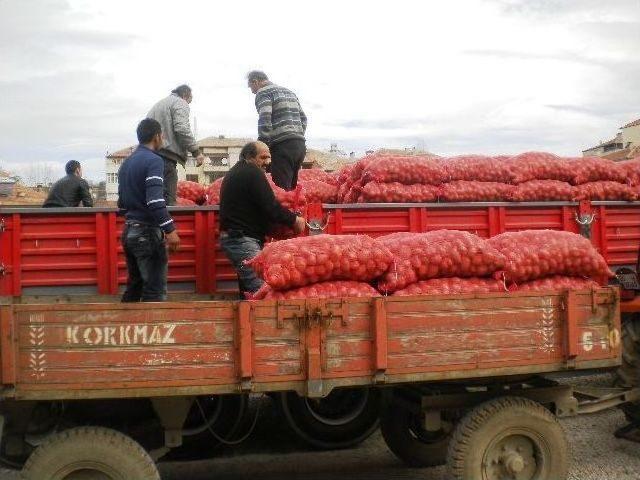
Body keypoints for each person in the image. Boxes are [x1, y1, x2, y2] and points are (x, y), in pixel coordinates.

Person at [219, 141, 305, 296]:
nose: (268, 162)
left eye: (269, 158)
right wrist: (294, 220)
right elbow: (271, 207)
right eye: (263, 157)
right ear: (249, 157)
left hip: (237, 239)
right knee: (262, 293)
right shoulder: (252, 173)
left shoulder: (236, 172)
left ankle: (246, 320)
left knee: (247, 293)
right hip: (242, 240)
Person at [117, 118, 180, 302]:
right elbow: (155, 201)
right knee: (154, 292)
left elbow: (122, 202)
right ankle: (154, 330)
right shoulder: (154, 161)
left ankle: (125, 328)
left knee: (134, 288)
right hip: (147, 234)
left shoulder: (127, 163)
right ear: (157, 136)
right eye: (162, 136)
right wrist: (170, 230)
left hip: (129, 231)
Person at [247, 71, 307, 191]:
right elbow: (303, 119)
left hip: (281, 146)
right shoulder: (289, 92)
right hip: (299, 145)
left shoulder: (263, 92)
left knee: (280, 191)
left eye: (251, 87)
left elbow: (265, 118)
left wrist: (262, 146)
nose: (252, 91)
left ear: (255, 82)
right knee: (291, 190)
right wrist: (296, 136)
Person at [147, 84, 205, 205]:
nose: (188, 105)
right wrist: (196, 152)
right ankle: (167, 222)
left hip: (150, 154)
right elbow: (182, 128)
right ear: (185, 95)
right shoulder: (180, 103)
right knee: (168, 197)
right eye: (189, 101)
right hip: (166, 155)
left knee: (155, 193)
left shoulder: (158, 105)